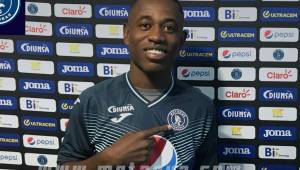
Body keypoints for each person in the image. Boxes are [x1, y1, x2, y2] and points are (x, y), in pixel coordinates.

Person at [57, 0, 217, 169]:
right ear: (127, 33)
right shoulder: (93, 101)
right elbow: (64, 166)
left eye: (169, 28)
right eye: (145, 25)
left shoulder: (201, 107)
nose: (157, 36)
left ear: (182, 40)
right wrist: (106, 160)